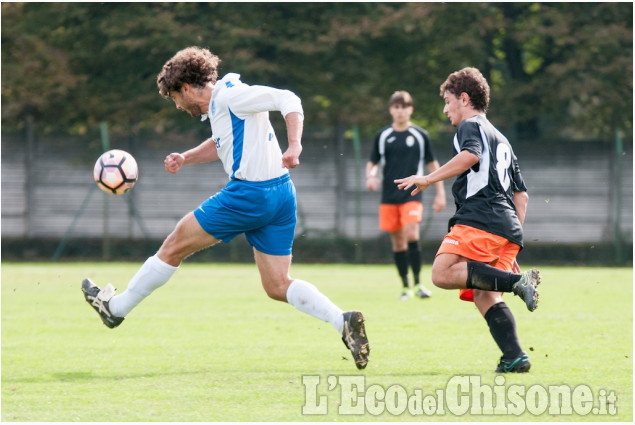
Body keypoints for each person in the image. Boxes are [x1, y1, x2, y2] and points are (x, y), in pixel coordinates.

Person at [81, 46, 370, 370]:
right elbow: (223, 142)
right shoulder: (222, 106)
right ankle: (341, 320)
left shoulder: (232, 96)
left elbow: (289, 99)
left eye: (176, 97)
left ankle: (115, 310)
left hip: (249, 195)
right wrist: (186, 157)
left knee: (174, 245)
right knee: (277, 285)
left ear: (187, 88)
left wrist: (294, 145)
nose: (178, 105)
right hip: (280, 195)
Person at [395, 67, 541, 373]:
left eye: (448, 102)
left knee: (442, 273)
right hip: (507, 225)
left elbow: (470, 156)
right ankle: (515, 357)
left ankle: (518, 282)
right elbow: (522, 196)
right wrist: (511, 238)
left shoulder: (471, 126)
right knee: (484, 293)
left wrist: (428, 178)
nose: (446, 109)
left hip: (481, 217)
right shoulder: (502, 139)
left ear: (464, 98)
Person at [366, 91, 446, 301]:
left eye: (404, 107)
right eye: (396, 107)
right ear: (391, 109)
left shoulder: (420, 135)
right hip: (389, 196)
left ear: (410, 110)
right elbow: (373, 162)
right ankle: (405, 287)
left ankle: (419, 283)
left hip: (413, 194)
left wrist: (440, 193)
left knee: (411, 233)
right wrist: (370, 177)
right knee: (398, 242)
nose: (400, 111)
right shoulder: (383, 135)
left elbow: (433, 165)